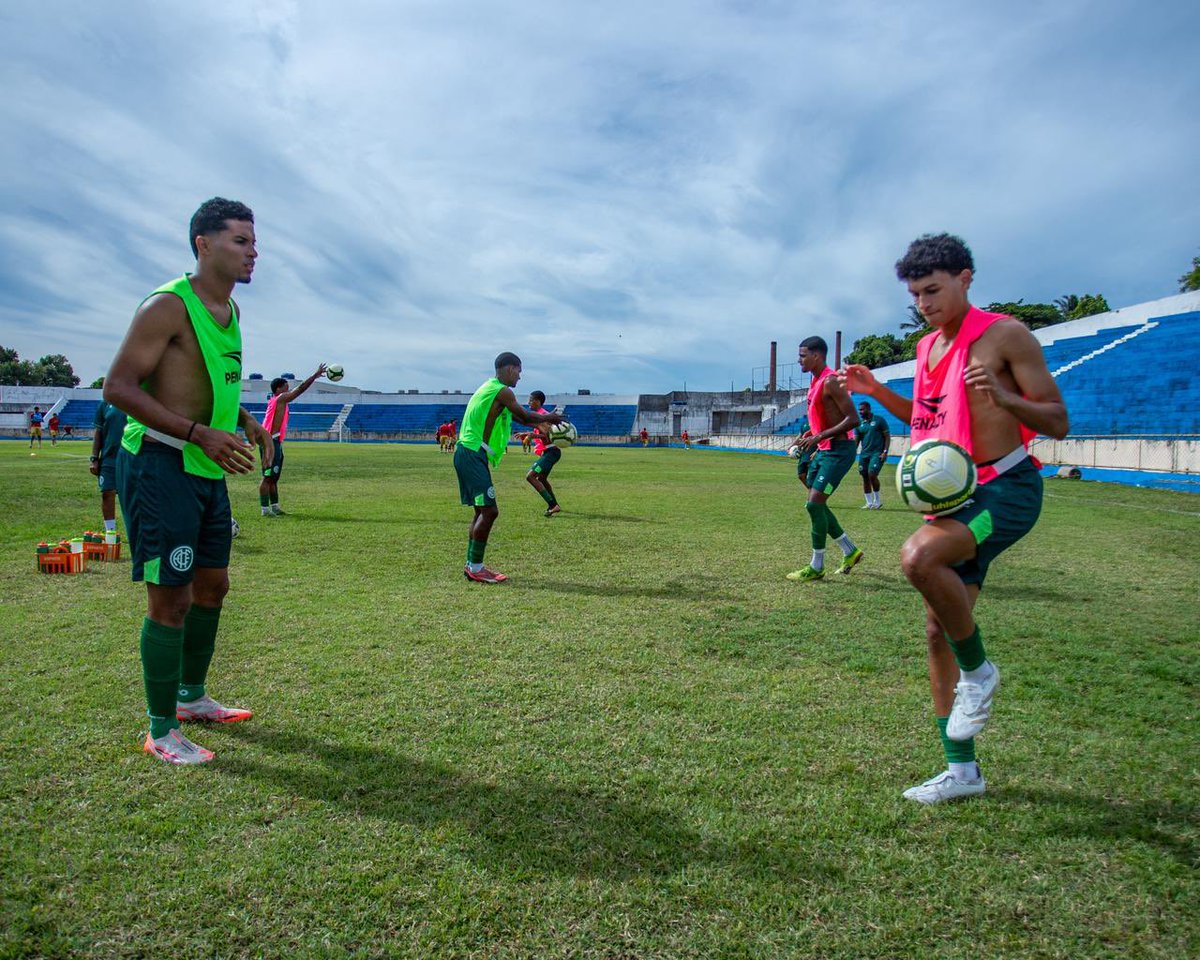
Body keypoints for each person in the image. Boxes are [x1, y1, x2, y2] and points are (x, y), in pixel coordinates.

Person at [841, 233, 1068, 804]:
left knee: (919, 557)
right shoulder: (926, 348)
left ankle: (980, 672)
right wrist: (877, 391)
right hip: (957, 501)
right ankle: (962, 773)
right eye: (916, 295)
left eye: (933, 290)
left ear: (965, 278)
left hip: (1006, 492)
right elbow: (926, 417)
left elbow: (1057, 419)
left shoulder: (1005, 335)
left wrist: (1005, 398)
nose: (924, 303)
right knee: (937, 628)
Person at [104, 197, 275, 766]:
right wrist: (199, 432)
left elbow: (210, 382)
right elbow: (118, 388)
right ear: (204, 244)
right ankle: (160, 730)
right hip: (159, 463)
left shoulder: (231, 311)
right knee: (171, 598)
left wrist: (246, 421)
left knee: (213, 586)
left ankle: (191, 697)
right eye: (241, 241)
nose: (253, 252)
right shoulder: (167, 306)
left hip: (204, 467)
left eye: (254, 242)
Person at [454, 353, 561, 584]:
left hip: (469, 452)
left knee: (481, 511)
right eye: (519, 371)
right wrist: (551, 417)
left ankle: (472, 565)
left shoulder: (491, 388)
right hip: (472, 452)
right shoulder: (502, 391)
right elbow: (524, 414)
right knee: (489, 512)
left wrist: (544, 423)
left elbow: (522, 419)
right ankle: (475, 568)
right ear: (510, 368)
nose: (520, 377)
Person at [787, 337, 863, 582]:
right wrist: (807, 436)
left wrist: (819, 436)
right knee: (816, 504)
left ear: (816, 356)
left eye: (802, 355)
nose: (799, 360)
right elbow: (826, 418)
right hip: (825, 449)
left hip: (839, 451)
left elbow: (853, 419)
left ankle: (817, 566)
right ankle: (850, 551)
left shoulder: (831, 381)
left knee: (814, 504)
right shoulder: (816, 381)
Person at [259, 364, 326, 516]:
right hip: (269, 443)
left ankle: (275, 507)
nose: (288, 390)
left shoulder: (279, 401)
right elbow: (300, 389)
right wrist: (314, 376)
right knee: (267, 477)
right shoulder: (280, 399)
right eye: (286, 387)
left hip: (275, 442)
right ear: (278, 389)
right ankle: (265, 510)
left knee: (274, 477)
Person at [90, 399, 128, 537]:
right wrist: (94, 457)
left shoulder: (138, 399)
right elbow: (98, 431)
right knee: (107, 493)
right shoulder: (105, 403)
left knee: (131, 496)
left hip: (132, 457)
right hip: (109, 458)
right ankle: (110, 532)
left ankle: (135, 532)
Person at [525, 390, 564, 517]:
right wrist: (528, 434)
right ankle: (554, 505)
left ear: (537, 401)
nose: (528, 403)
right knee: (541, 478)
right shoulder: (540, 415)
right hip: (549, 451)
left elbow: (548, 436)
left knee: (530, 477)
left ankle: (553, 505)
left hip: (551, 451)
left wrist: (533, 435)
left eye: (530, 400)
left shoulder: (543, 416)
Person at [855, 401, 890, 509]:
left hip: (877, 453)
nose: (860, 412)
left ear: (869, 409)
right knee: (865, 477)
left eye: (862, 409)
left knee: (872, 474)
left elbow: (887, 436)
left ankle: (877, 501)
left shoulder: (879, 420)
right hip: (864, 455)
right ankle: (869, 503)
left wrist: (885, 451)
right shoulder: (859, 424)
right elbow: (856, 441)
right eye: (859, 410)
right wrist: (851, 453)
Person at [790, 414, 816, 491]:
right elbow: (800, 436)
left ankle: (815, 493)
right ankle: (812, 491)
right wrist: (791, 446)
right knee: (801, 475)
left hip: (813, 453)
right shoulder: (805, 423)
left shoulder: (818, 421)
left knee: (812, 477)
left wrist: (817, 451)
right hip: (804, 453)